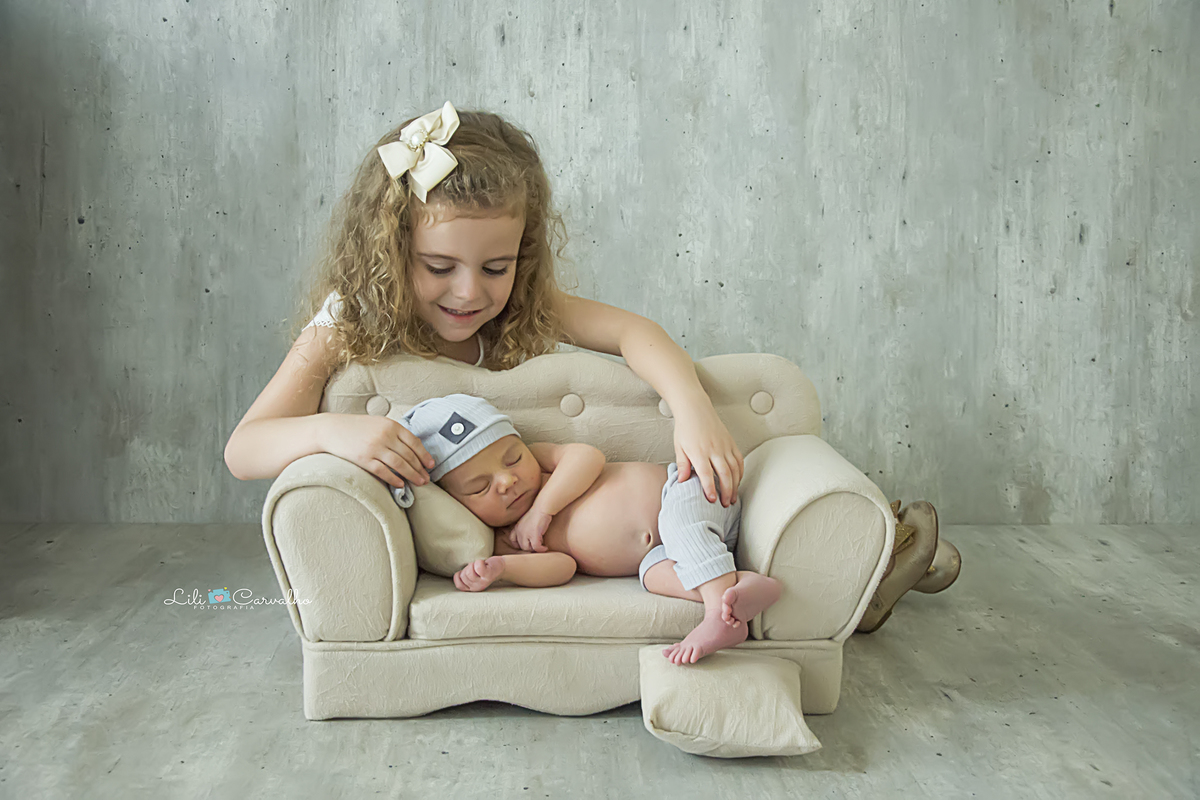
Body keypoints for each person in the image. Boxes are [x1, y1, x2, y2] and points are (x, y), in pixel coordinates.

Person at [222, 100, 954, 633]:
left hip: (647, 499)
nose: (469, 292)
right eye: (439, 266)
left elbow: (635, 333)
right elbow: (245, 447)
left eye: (496, 266)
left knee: (726, 483)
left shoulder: (522, 305)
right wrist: (334, 432)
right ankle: (877, 561)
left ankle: (869, 547)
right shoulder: (349, 321)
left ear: (522, 254)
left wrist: (693, 411)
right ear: (391, 251)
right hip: (570, 536)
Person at [391, 393, 784, 667]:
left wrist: (542, 509)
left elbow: (587, 457)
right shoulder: (506, 539)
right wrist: (504, 569)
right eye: (480, 487)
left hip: (685, 490)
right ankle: (735, 590)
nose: (507, 481)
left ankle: (718, 619)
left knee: (683, 527)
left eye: (512, 459)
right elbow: (562, 567)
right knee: (653, 574)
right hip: (661, 553)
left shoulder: (543, 463)